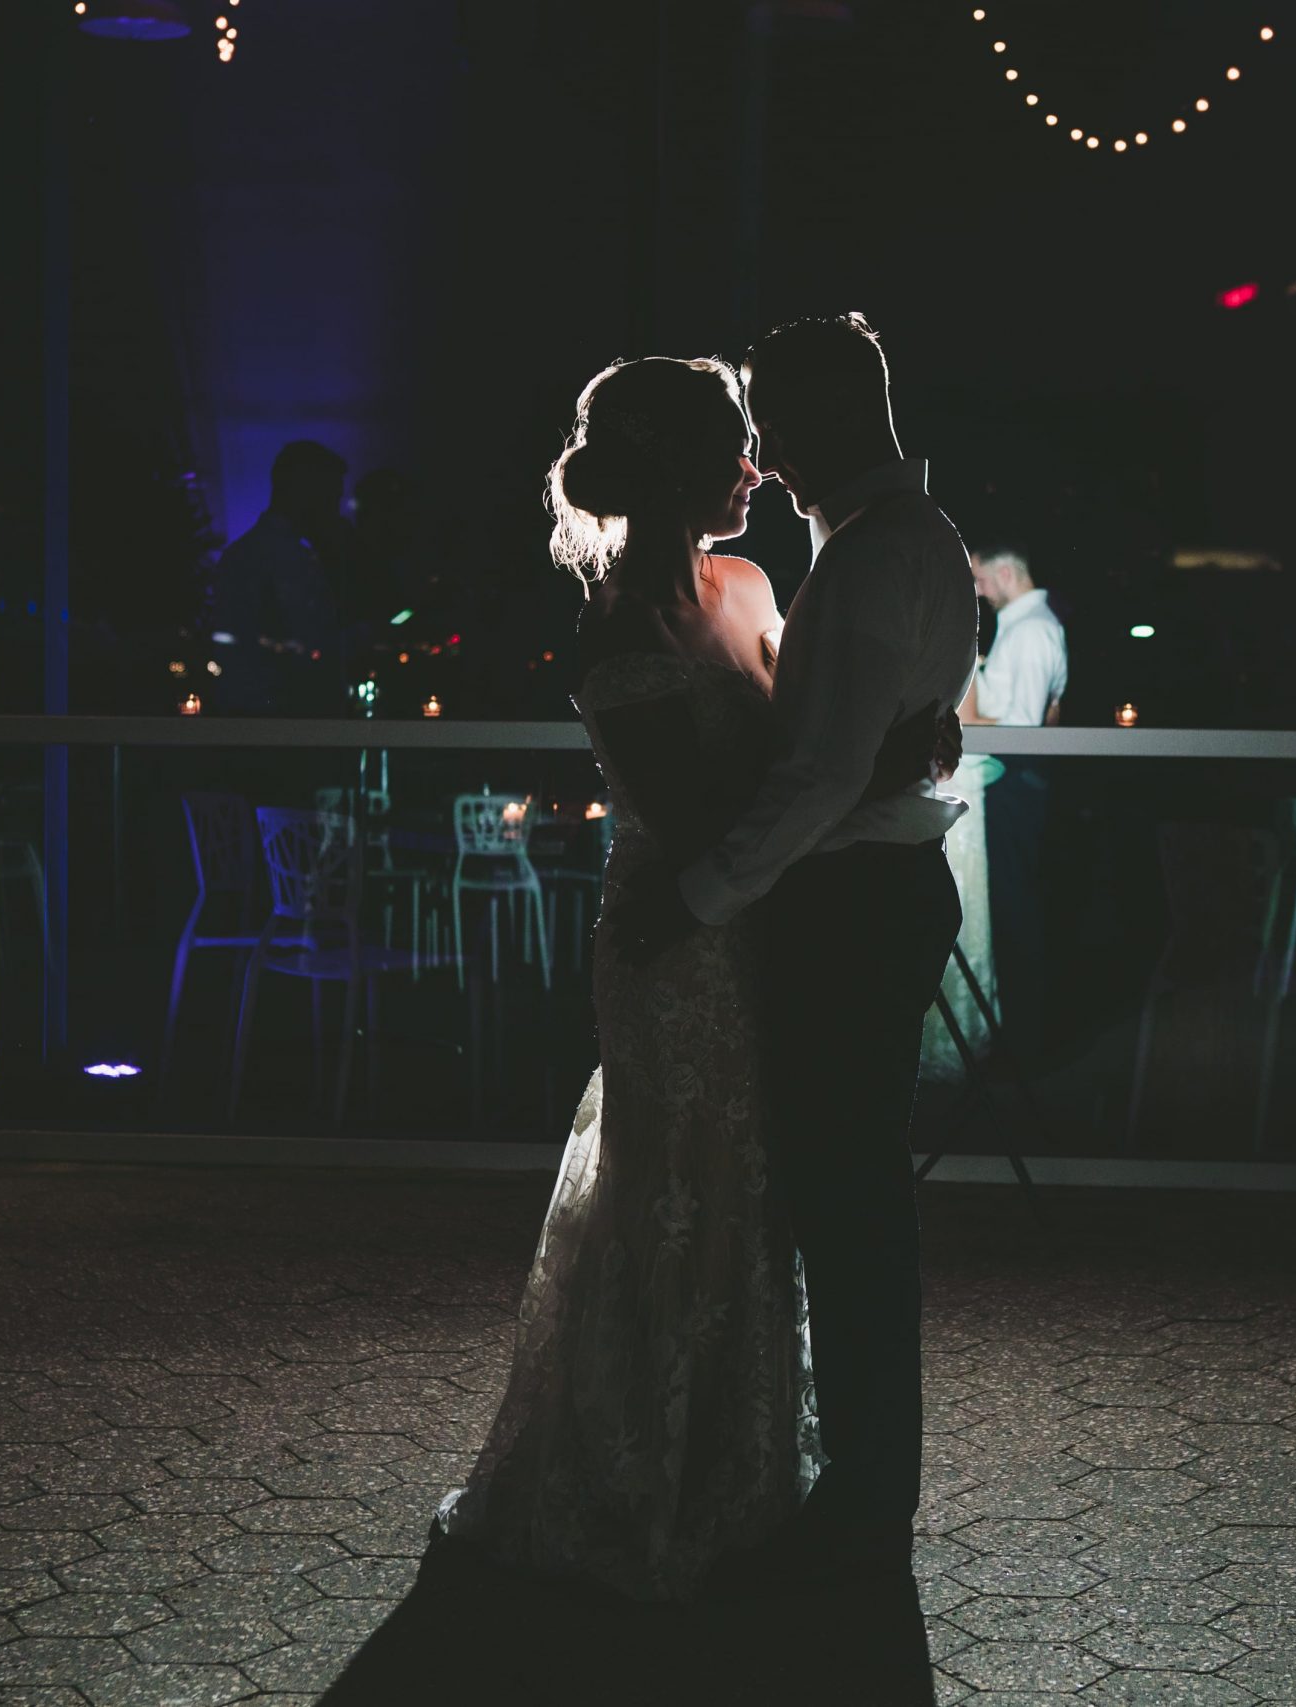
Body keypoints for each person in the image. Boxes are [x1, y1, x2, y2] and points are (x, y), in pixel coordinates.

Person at [429, 354, 954, 1601]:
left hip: (751, 925)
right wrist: (885, 768)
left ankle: (743, 1457)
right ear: (674, 465)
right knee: (681, 1194)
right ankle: (644, 1468)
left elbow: (792, 771)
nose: (756, 463)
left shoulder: (753, 581)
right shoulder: (613, 634)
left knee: (754, 1197)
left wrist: (868, 755)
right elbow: (720, 817)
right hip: (677, 947)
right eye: (733, 440)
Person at [626, 313, 978, 1585]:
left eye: (772, 420)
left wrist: (700, 896)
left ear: (831, 413)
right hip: (879, 887)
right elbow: (861, 746)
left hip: (853, 903)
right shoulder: (903, 542)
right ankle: (863, 1473)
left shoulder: (874, 555)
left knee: (848, 1204)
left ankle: (868, 1487)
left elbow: (823, 771)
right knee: (848, 1196)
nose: (762, 456)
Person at [958, 547, 1065, 1026]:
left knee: (1017, 906)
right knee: (1009, 904)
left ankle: (1028, 1031)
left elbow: (1024, 727)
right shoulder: (1021, 627)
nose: (978, 589)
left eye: (981, 579)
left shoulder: (1033, 629)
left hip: (1017, 779)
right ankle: (1020, 1022)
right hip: (1007, 778)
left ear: (1006, 572)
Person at [207, 440, 346, 711]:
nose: (335, 510)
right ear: (306, 492)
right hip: (279, 720)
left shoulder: (251, 554)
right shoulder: (278, 559)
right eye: (330, 497)